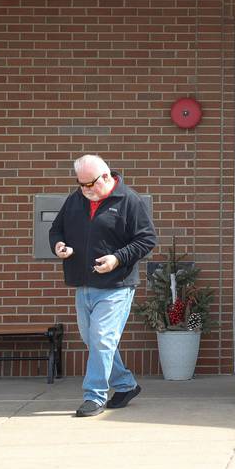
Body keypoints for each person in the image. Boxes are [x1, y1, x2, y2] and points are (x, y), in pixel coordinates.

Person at [49, 154, 157, 417]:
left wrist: (117, 258)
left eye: (90, 185)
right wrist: (59, 246)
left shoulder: (129, 200)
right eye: (81, 184)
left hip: (116, 285)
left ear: (106, 177)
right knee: (94, 341)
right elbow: (56, 229)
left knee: (101, 339)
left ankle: (94, 396)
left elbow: (147, 239)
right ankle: (125, 384)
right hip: (83, 283)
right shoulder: (75, 199)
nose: (86, 190)